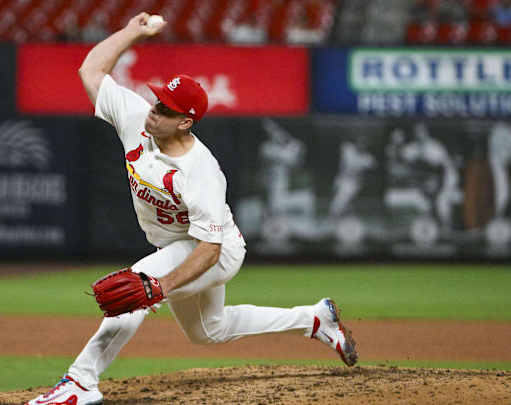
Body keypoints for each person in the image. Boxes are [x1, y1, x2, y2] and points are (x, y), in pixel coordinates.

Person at [27, 12, 357, 405]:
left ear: (185, 121)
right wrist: (133, 32)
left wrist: (158, 288)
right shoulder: (136, 119)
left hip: (214, 250)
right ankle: (315, 319)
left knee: (138, 288)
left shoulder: (201, 172)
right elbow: (92, 69)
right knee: (209, 331)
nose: (154, 109)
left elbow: (209, 249)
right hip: (180, 246)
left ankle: (81, 383)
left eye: (165, 109)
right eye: (157, 100)